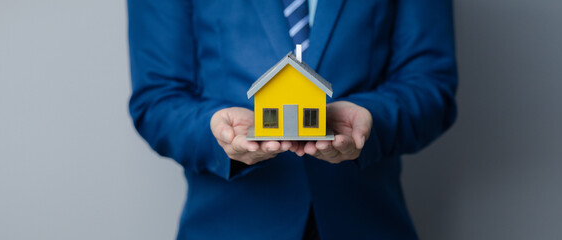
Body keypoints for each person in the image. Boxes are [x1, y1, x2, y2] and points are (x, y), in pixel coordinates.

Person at [127, 0, 457, 239]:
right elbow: (158, 99)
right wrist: (217, 132)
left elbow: (430, 86)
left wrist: (373, 119)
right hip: (230, 225)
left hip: (366, 221)